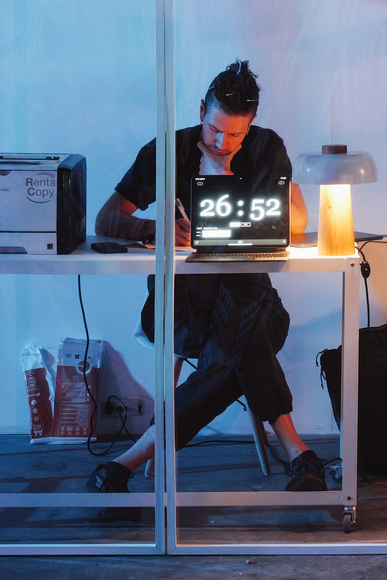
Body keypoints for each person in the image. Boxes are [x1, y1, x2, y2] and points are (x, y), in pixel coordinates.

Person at [86, 59, 327, 494]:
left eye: (236, 133)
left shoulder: (266, 147)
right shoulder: (167, 150)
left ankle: (129, 459)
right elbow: (106, 220)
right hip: (183, 305)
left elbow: (296, 222)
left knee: (239, 331)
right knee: (244, 339)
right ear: (201, 110)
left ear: (250, 125)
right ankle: (297, 451)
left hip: (250, 296)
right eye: (216, 130)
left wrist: (224, 178)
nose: (223, 141)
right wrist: (152, 228)